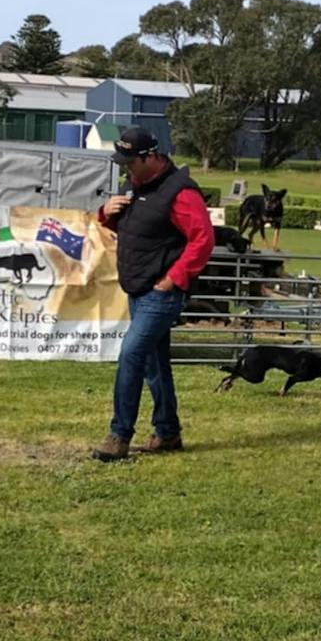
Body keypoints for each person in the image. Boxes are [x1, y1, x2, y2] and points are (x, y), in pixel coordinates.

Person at [89, 126, 215, 461]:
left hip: (161, 293)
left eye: (131, 162)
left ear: (151, 156)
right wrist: (107, 214)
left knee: (131, 353)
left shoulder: (180, 192)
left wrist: (172, 279)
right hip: (139, 288)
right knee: (154, 364)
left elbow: (203, 239)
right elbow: (140, 227)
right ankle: (168, 432)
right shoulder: (135, 185)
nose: (126, 168)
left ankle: (119, 436)